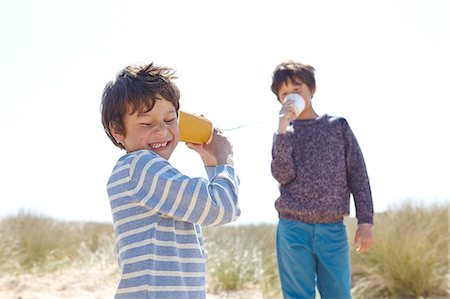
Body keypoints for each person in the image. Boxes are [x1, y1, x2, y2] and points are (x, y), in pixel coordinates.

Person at [100, 63, 240, 299]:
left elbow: (205, 207)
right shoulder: (141, 167)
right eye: (146, 123)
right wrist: (224, 157)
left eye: (170, 119)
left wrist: (210, 162)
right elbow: (222, 208)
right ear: (117, 130)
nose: (162, 131)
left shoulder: (140, 173)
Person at [270, 60, 374, 299]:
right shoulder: (284, 134)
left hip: (332, 228)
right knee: (298, 295)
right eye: (284, 94)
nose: (291, 97)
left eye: (297, 90)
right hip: (292, 228)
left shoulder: (337, 127)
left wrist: (365, 221)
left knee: (338, 294)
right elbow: (282, 174)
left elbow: (358, 174)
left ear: (312, 89)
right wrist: (282, 131)